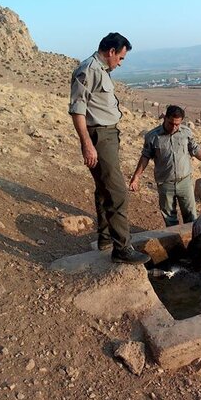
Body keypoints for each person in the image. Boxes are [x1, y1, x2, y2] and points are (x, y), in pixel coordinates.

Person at [69, 32, 150, 265]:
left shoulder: (100, 70)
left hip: (107, 135)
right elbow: (77, 109)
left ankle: (106, 238)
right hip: (99, 137)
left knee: (104, 188)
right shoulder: (90, 70)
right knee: (117, 192)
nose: (121, 63)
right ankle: (122, 248)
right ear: (111, 51)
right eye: (121, 58)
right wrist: (87, 144)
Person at [129, 105, 201, 227]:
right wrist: (136, 177)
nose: (174, 127)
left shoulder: (186, 132)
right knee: (170, 219)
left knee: (191, 218)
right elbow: (145, 157)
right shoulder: (152, 136)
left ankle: (192, 244)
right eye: (171, 123)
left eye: (177, 124)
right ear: (165, 118)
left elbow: (195, 150)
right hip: (165, 183)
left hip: (184, 182)